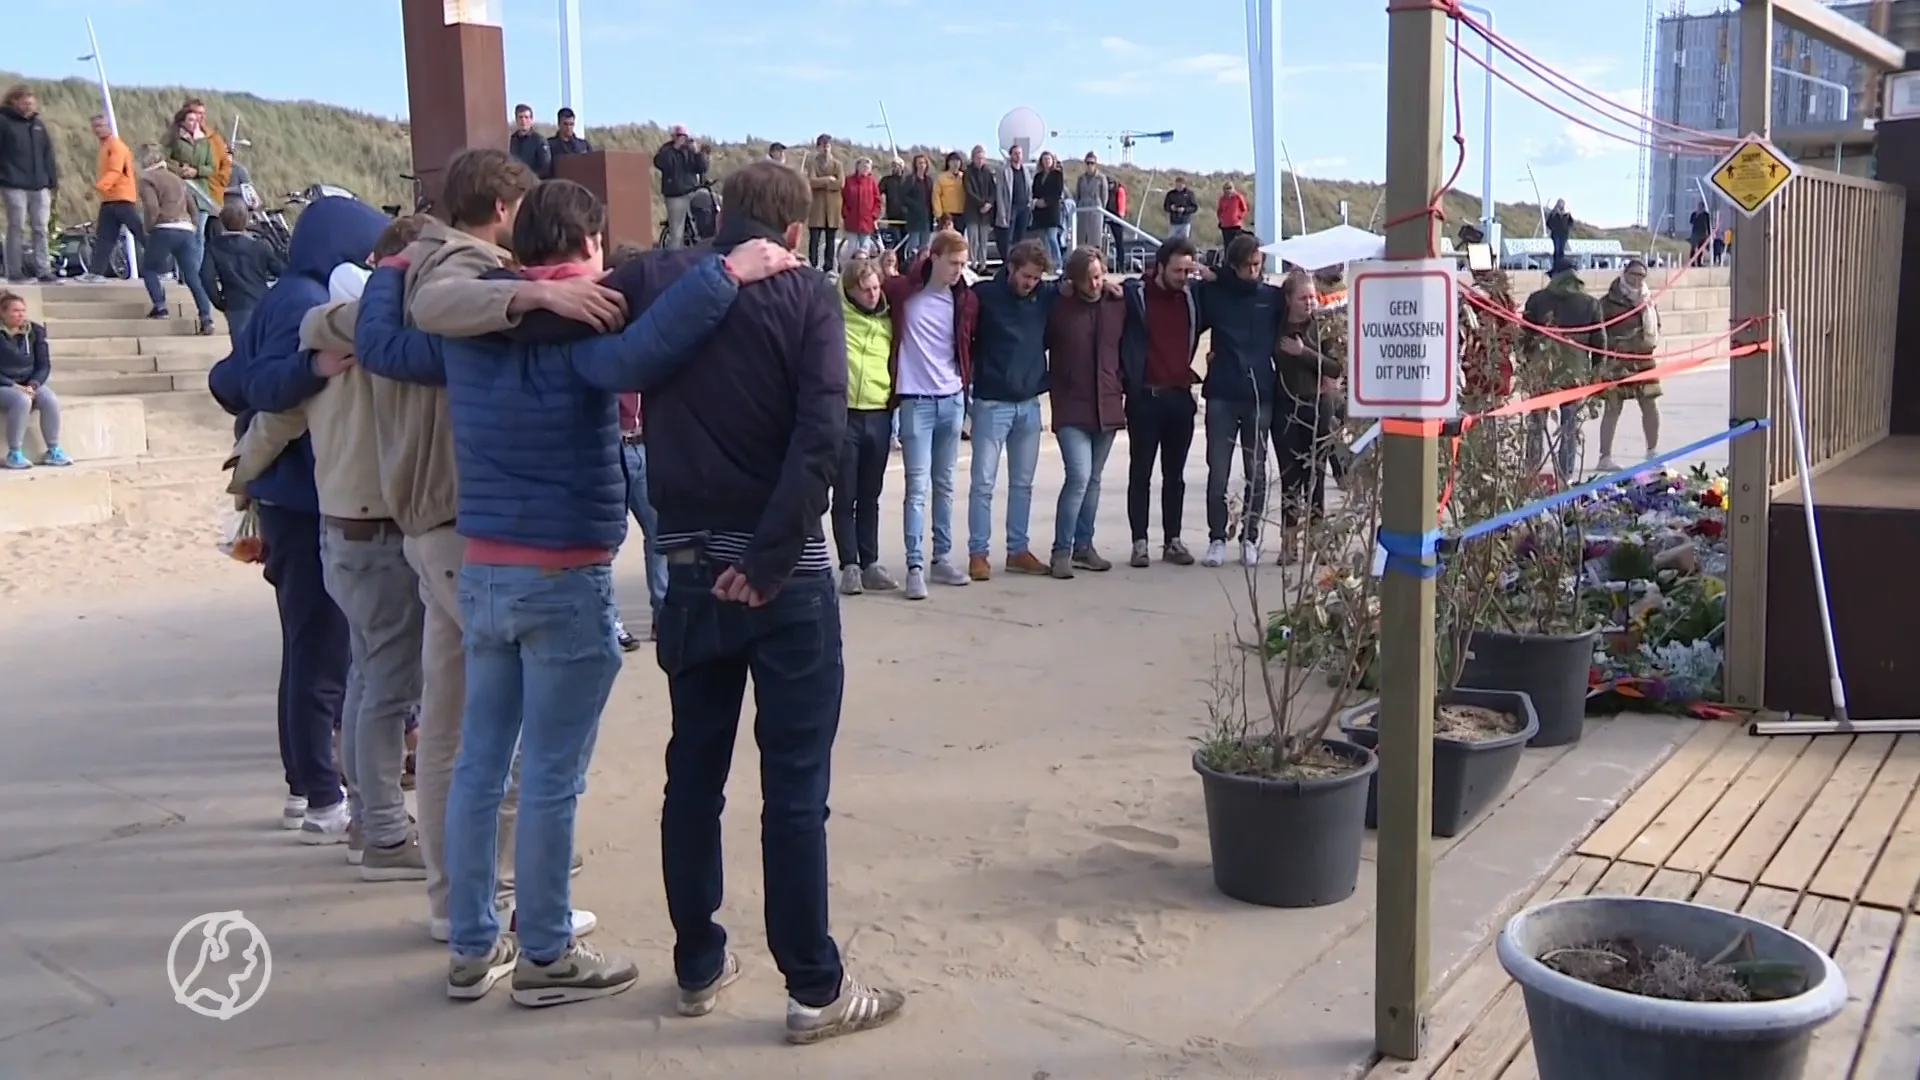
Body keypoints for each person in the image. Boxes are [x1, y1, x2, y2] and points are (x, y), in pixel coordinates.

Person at [358, 178, 795, 1006]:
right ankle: (547, 953)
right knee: (552, 775)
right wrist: (727, 274)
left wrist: (395, 265)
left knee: (481, 764)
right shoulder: (584, 324)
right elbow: (653, 348)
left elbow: (383, 347)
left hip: (483, 569)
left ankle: (472, 941)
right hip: (562, 574)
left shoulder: (470, 327)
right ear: (590, 247)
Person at [499, 159, 906, 1041]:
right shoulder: (805, 298)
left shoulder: (653, 278)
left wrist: (531, 300)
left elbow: (543, 328)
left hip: (688, 568)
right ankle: (812, 986)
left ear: (719, 214)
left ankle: (697, 962)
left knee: (695, 777)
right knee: (794, 791)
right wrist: (766, 559)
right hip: (786, 576)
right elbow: (820, 439)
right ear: (795, 234)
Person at [350, 148, 631, 945]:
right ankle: (501, 906)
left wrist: (381, 275)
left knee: (461, 735)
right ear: (505, 210)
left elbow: (379, 344)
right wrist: (538, 292)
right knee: (506, 749)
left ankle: (464, 911)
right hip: (468, 522)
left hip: (448, 520)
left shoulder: (431, 270)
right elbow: (425, 321)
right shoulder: (463, 274)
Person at [208, 196, 388, 842]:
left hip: (287, 497)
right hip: (307, 499)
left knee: (305, 647)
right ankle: (320, 796)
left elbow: (227, 378)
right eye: (366, 251)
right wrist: (312, 367)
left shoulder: (289, 292)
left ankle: (302, 785)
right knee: (322, 653)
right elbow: (255, 385)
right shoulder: (303, 300)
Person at [883, 229, 977, 601]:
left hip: (951, 399)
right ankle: (914, 565)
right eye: (953, 263)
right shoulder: (905, 292)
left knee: (946, 484)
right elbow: (864, 283)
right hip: (915, 401)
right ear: (933, 257)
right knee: (916, 487)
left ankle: (941, 557)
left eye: (963, 264)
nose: (958, 271)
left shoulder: (964, 299)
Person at [966, 239, 1054, 580]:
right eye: (1026, 276)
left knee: (1023, 483)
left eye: (1035, 278)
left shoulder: (1045, 296)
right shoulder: (986, 296)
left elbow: (1078, 283)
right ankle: (978, 553)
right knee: (983, 483)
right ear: (1011, 268)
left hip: (1029, 403)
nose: (1030, 283)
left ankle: (1018, 549)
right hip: (991, 402)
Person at [1198, 233, 1283, 568]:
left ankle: (1250, 537)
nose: (1253, 270)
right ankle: (1217, 537)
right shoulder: (1214, 293)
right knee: (1217, 471)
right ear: (1233, 265)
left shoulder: (1271, 297)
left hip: (1260, 394)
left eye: (1258, 264)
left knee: (1256, 471)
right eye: (1247, 265)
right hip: (1221, 392)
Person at [1119, 237, 1203, 568]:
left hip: (1179, 398)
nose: (1183, 277)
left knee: (1175, 475)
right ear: (1161, 266)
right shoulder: (1135, 294)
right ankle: (1139, 542)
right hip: (1145, 397)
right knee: (1140, 473)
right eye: (1178, 270)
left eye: (1188, 270)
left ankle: (1173, 540)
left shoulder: (1193, 298)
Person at [1043, 247, 1125, 578]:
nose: (1095, 283)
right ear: (1073, 281)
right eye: (1088, 279)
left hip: (1106, 403)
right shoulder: (1059, 306)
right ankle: (1061, 550)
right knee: (1078, 477)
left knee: (1093, 480)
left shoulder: (1116, 303)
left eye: (1098, 276)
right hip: (1071, 404)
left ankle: (1083, 546)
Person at [833, 258, 898, 596]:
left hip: (878, 413)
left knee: (869, 494)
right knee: (844, 494)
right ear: (850, 291)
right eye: (867, 289)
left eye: (877, 287)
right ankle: (850, 565)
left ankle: (870, 562)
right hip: (845, 415)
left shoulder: (888, 319)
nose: (874, 294)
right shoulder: (835, 318)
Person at [1270, 272, 1345, 563]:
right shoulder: (1276, 326)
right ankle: (1288, 544)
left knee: (1315, 476)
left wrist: (1304, 353)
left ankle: (1318, 541)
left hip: (1318, 406)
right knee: (1290, 478)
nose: (1309, 303)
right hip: (1285, 407)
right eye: (1303, 298)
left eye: (1312, 297)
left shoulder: (1322, 327)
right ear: (1288, 299)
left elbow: (1335, 367)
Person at [1520, 259, 1604, 480]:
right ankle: (1564, 475)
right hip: (1574, 373)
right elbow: (1599, 344)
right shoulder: (1590, 303)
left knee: (1536, 424)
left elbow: (1524, 337)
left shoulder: (1537, 299)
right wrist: (1596, 374)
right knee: (1569, 426)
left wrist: (1527, 364)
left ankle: (1531, 471)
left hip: (1541, 369)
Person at [136, 143, 215, 335]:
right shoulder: (178, 179)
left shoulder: (148, 180)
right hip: (186, 228)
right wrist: (193, 225)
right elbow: (193, 207)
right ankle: (206, 316)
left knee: (149, 269)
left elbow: (152, 207)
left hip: (164, 228)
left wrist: (149, 228)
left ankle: (160, 306)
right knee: (192, 275)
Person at [1597, 259, 1662, 471]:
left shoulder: (1648, 300)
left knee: (1650, 406)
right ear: (1625, 274)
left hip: (1643, 360)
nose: (1636, 279)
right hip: (1617, 363)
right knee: (1613, 408)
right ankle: (1604, 457)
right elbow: (1600, 332)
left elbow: (1656, 325)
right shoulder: (1608, 302)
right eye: (1633, 274)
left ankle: (1652, 451)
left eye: (1641, 275)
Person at [0, 291, 67, 468]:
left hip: (27, 381)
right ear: (3, 312)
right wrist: (14, 386)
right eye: (15, 311)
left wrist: (33, 384)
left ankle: (53, 450)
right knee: (22, 401)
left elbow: (44, 365)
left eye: (23, 310)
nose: (21, 314)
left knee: (49, 399)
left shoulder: (35, 331)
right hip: (4, 383)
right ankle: (14, 452)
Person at [203, 203, 284, 345]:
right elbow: (280, 271)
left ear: (222, 221)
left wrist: (218, 300)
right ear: (246, 221)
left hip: (235, 303)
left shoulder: (214, 247)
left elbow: (206, 276)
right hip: (262, 300)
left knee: (241, 350)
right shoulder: (260, 246)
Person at [0, 85, 57, 284]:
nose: (30, 106)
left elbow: (47, 154)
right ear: (14, 101)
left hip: (39, 184)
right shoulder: (4, 121)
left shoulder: (38, 124)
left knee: (40, 228)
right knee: (16, 227)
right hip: (13, 183)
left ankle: (43, 270)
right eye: (26, 103)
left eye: (32, 103)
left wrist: (51, 180)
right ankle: (14, 271)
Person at [163, 98, 231, 234]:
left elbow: (223, 164)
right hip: (185, 192)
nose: (201, 117)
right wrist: (179, 169)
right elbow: (163, 157)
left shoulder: (212, 138)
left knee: (209, 236)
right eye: (196, 113)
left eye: (202, 113)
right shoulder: (174, 136)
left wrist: (218, 179)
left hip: (212, 194)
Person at [88, 114, 142, 282]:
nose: (97, 130)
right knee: (105, 237)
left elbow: (115, 171)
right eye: (95, 126)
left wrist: (98, 188)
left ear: (110, 126)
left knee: (141, 233)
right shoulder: (106, 146)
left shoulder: (115, 146)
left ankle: (162, 267)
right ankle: (96, 272)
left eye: (101, 125)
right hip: (110, 198)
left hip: (122, 198)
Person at [654, 124, 711, 250]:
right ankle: (672, 260)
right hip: (675, 194)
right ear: (673, 136)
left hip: (693, 190)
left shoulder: (690, 151)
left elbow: (702, 168)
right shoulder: (666, 150)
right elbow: (661, 163)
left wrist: (698, 153)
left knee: (709, 206)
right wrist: (675, 148)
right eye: (680, 136)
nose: (683, 139)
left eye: (685, 136)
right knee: (676, 233)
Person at [805, 134, 845, 270]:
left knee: (831, 240)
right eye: (823, 146)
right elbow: (811, 181)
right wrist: (828, 179)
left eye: (828, 146)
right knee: (814, 239)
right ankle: (813, 265)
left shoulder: (838, 165)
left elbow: (840, 183)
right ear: (818, 148)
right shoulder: (813, 164)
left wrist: (821, 182)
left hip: (832, 208)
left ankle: (828, 266)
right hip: (817, 207)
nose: (826, 149)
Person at [991, 145, 1033, 263]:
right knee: (1007, 238)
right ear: (1011, 155)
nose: (1018, 155)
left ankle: (1018, 261)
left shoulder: (1026, 170)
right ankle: (1008, 262)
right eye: (1015, 153)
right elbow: (999, 192)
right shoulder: (1004, 170)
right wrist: (1002, 212)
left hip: (1023, 208)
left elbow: (1029, 188)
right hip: (1010, 207)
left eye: (1020, 153)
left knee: (1020, 239)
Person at [962, 145, 996, 272]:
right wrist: (982, 203)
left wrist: (989, 204)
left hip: (986, 213)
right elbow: (968, 190)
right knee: (973, 240)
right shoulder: (968, 172)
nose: (980, 160)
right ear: (973, 158)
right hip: (972, 211)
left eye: (982, 158)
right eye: (978, 158)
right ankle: (973, 264)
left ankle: (983, 264)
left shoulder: (988, 172)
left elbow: (993, 190)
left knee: (983, 241)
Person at [840, 158, 880, 261]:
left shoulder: (872, 183)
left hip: (866, 222)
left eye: (868, 167)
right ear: (857, 167)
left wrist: (874, 215)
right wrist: (845, 213)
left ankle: (864, 273)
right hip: (852, 221)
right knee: (852, 248)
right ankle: (848, 272)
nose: (865, 169)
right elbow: (843, 199)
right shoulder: (849, 181)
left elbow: (877, 201)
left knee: (865, 249)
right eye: (863, 166)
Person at [1031, 151, 1065, 271]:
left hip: (1052, 211)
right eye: (1044, 159)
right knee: (1043, 241)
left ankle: (1058, 264)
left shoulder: (1057, 175)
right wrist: (1036, 202)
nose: (1047, 161)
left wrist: (1046, 201)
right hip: (1040, 212)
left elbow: (1058, 192)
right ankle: (1046, 266)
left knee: (1052, 237)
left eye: (1049, 159)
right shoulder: (1038, 177)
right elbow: (1034, 191)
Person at [898, 154, 935, 262]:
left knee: (925, 248)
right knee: (913, 247)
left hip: (927, 219)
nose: (921, 165)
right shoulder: (910, 180)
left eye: (923, 163)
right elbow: (902, 197)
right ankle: (911, 267)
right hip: (914, 219)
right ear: (915, 165)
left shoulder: (929, 181)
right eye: (919, 163)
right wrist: (914, 205)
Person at [1074, 154, 1109, 262]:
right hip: (1083, 208)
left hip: (1095, 208)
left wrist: (1100, 207)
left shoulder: (1101, 178)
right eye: (1087, 163)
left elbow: (1104, 196)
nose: (1089, 165)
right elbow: (1078, 194)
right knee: (1082, 237)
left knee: (1095, 239)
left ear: (1095, 164)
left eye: (1092, 163)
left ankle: (1099, 263)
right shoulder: (1081, 178)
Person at [509, 104, 553, 180]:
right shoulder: (512, 140)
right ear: (516, 119)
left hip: (534, 184)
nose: (523, 121)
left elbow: (545, 168)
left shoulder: (539, 140)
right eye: (520, 117)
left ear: (531, 120)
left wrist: (528, 178)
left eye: (526, 117)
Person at [933, 151, 966, 231]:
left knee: (958, 239)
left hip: (961, 213)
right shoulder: (941, 177)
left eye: (957, 161)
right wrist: (938, 213)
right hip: (946, 214)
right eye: (952, 161)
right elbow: (936, 195)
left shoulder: (964, 177)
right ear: (948, 163)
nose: (955, 163)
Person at [1217, 181, 1249, 248]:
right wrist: (1221, 220)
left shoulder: (1238, 197)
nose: (1228, 190)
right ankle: (1227, 258)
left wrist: (1239, 217)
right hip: (1225, 226)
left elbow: (1244, 209)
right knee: (1227, 245)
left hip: (1235, 225)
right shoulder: (1222, 199)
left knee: (1235, 245)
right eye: (1226, 189)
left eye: (1230, 188)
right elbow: (1219, 211)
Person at [1545, 199, 1573, 268]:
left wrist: (1567, 229)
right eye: (1560, 203)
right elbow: (1548, 222)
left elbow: (1571, 223)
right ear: (1557, 204)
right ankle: (1556, 265)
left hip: (1564, 234)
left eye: (1562, 203)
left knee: (1561, 251)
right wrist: (1553, 228)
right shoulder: (1553, 213)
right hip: (1556, 234)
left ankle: (1561, 265)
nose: (1561, 204)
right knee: (1557, 250)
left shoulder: (1567, 213)